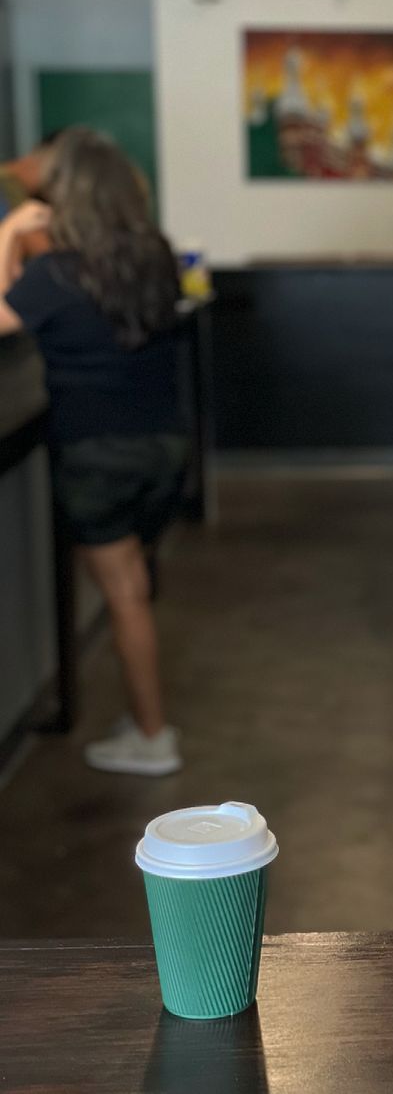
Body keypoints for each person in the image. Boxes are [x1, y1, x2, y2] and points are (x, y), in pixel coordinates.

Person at [0, 127, 187, 776]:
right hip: (164, 446)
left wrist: (7, 232)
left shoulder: (55, 272)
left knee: (124, 593)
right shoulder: (154, 255)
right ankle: (145, 718)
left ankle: (152, 736)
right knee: (134, 583)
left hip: (96, 453)